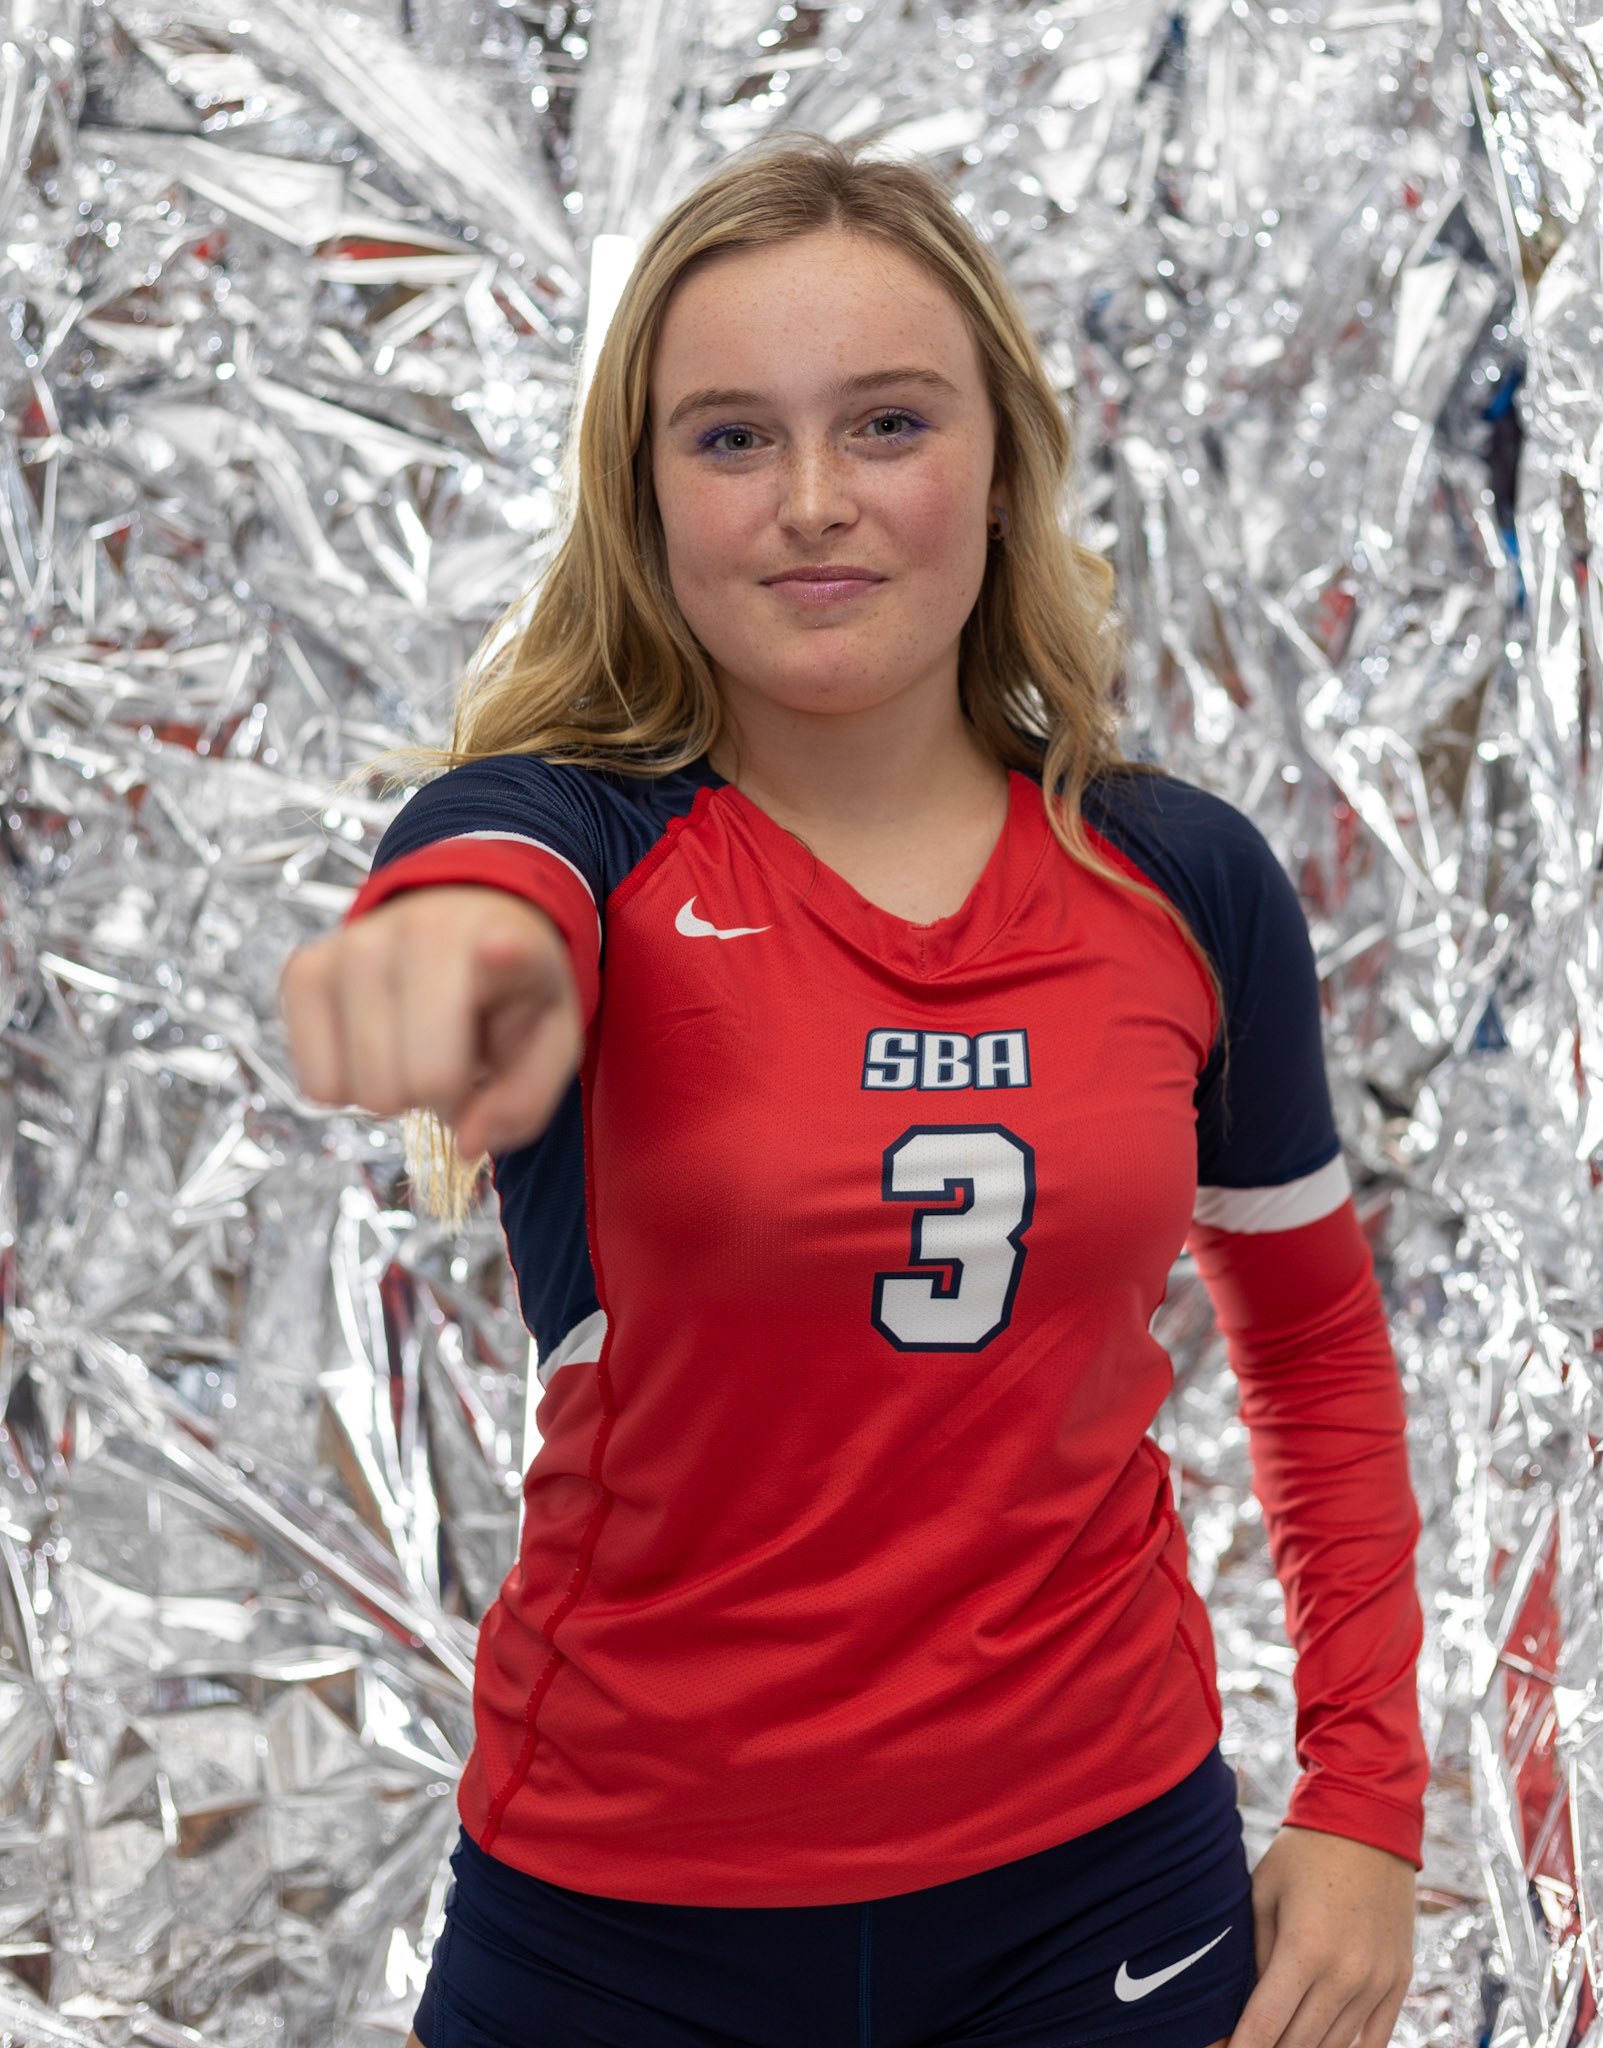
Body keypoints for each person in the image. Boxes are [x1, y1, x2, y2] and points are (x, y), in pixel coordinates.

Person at [280, 136, 1424, 2048]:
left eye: (886, 422)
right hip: (619, 1922)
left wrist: (1368, 1799)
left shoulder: (1185, 879)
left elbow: (1310, 1347)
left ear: (1000, 462)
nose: (816, 504)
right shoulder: (573, 837)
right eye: (731, 440)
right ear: (645, 501)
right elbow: (481, 889)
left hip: (1102, 1893)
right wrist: (448, 960)